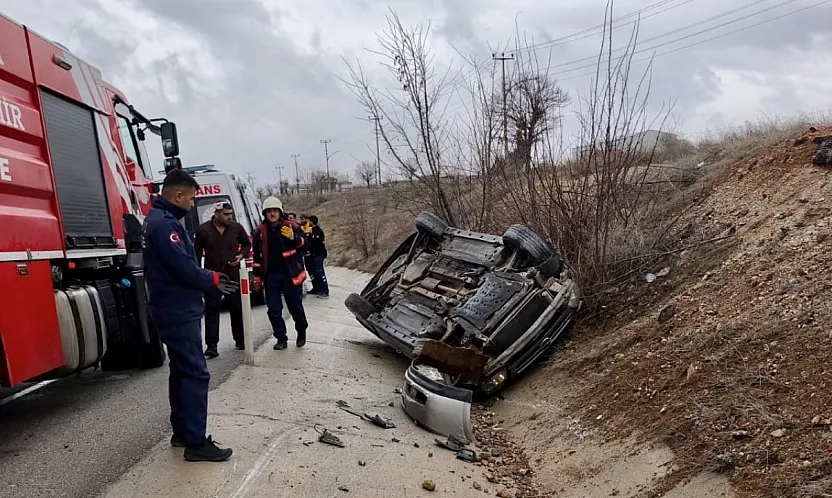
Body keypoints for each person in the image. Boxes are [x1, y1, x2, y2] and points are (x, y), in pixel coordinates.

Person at [143, 169, 238, 462]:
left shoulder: (158, 220)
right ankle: (196, 443)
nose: (191, 204)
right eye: (191, 199)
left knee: (181, 371)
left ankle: (182, 432)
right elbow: (183, 267)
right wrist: (212, 278)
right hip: (178, 310)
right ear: (178, 195)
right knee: (196, 373)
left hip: (171, 307)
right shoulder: (163, 225)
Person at [194, 202, 251, 357]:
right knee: (212, 310)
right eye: (226, 214)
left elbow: (247, 244)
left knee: (236, 308)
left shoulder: (236, 228)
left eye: (230, 213)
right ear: (217, 214)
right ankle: (212, 346)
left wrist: (241, 256)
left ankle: (240, 340)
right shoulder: (203, 229)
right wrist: (197, 274)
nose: (229, 217)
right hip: (212, 277)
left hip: (232, 274)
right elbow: (197, 252)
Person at [252, 197, 309, 350]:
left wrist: (294, 238)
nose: (272, 214)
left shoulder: (291, 226)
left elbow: (305, 245)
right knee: (274, 309)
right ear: (265, 213)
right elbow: (257, 256)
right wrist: (257, 275)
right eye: (269, 211)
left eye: (274, 211)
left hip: (290, 274)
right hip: (271, 276)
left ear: (280, 212)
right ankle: (281, 338)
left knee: (295, 307)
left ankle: (301, 329)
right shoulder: (260, 232)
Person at [308, 215, 330, 299]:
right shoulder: (312, 231)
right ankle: (318, 289)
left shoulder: (317, 231)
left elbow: (317, 244)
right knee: (316, 272)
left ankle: (325, 291)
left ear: (312, 221)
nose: (308, 223)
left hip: (319, 254)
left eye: (309, 221)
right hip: (315, 255)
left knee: (320, 272)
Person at [299, 214, 315, 293]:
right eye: (300, 219)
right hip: (303, 252)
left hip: (309, 252)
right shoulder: (300, 228)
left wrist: (308, 250)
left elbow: (310, 241)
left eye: (303, 219)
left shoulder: (310, 228)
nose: (301, 221)